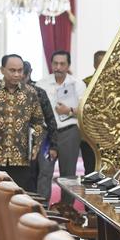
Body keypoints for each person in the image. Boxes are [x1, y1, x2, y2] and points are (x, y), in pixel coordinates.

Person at [0, 53, 45, 191]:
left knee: (18, 202)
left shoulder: (30, 93)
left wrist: (36, 144)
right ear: (2, 70)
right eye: (12, 70)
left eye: (20, 70)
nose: (17, 74)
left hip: (20, 160)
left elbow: (39, 122)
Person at [37, 50, 87, 180]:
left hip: (69, 132)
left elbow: (85, 111)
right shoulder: (42, 84)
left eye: (62, 64)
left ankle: (67, 201)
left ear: (68, 65)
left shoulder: (78, 84)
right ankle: (42, 201)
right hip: (46, 133)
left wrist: (69, 110)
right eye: (55, 63)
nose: (58, 67)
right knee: (44, 172)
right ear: (51, 64)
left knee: (68, 173)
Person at [25, 61, 60, 202]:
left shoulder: (38, 92)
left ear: (28, 74)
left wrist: (53, 145)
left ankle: (43, 208)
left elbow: (51, 120)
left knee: (44, 173)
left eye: (23, 74)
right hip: (18, 140)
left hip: (41, 137)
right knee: (27, 174)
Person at [80, 50, 106, 173]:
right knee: (90, 168)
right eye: (101, 63)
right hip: (89, 132)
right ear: (95, 65)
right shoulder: (85, 83)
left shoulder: (117, 83)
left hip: (108, 133)